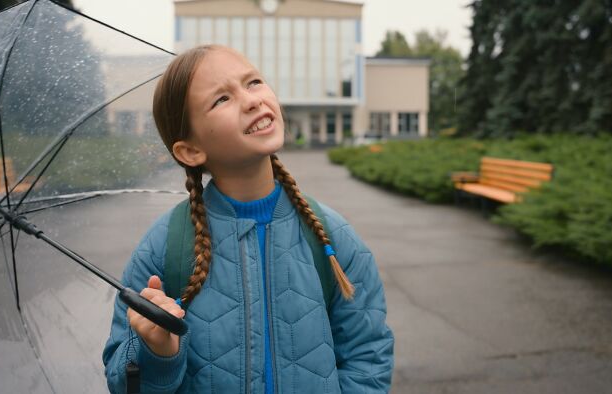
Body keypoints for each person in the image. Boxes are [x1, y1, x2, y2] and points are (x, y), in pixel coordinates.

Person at [103, 45, 394, 393]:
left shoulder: (331, 237)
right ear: (191, 151)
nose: (252, 100)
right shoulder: (164, 247)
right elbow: (124, 383)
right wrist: (156, 352)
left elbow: (368, 355)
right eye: (221, 99)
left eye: (254, 82)